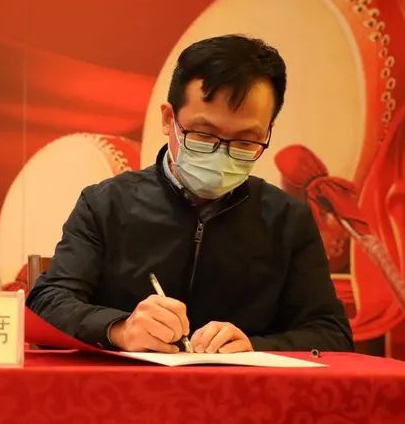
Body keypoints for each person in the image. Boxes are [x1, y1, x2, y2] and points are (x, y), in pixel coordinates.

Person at [27, 35, 353, 354]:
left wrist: (254, 347)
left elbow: (330, 332)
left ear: (267, 132)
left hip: (242, 388)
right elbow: (46, 304)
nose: (222, 155)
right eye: (204, 135)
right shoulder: (105, 204)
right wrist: (119, 329)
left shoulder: (287, 219)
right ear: (169, 119)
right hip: (125, 386)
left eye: (245, 141)